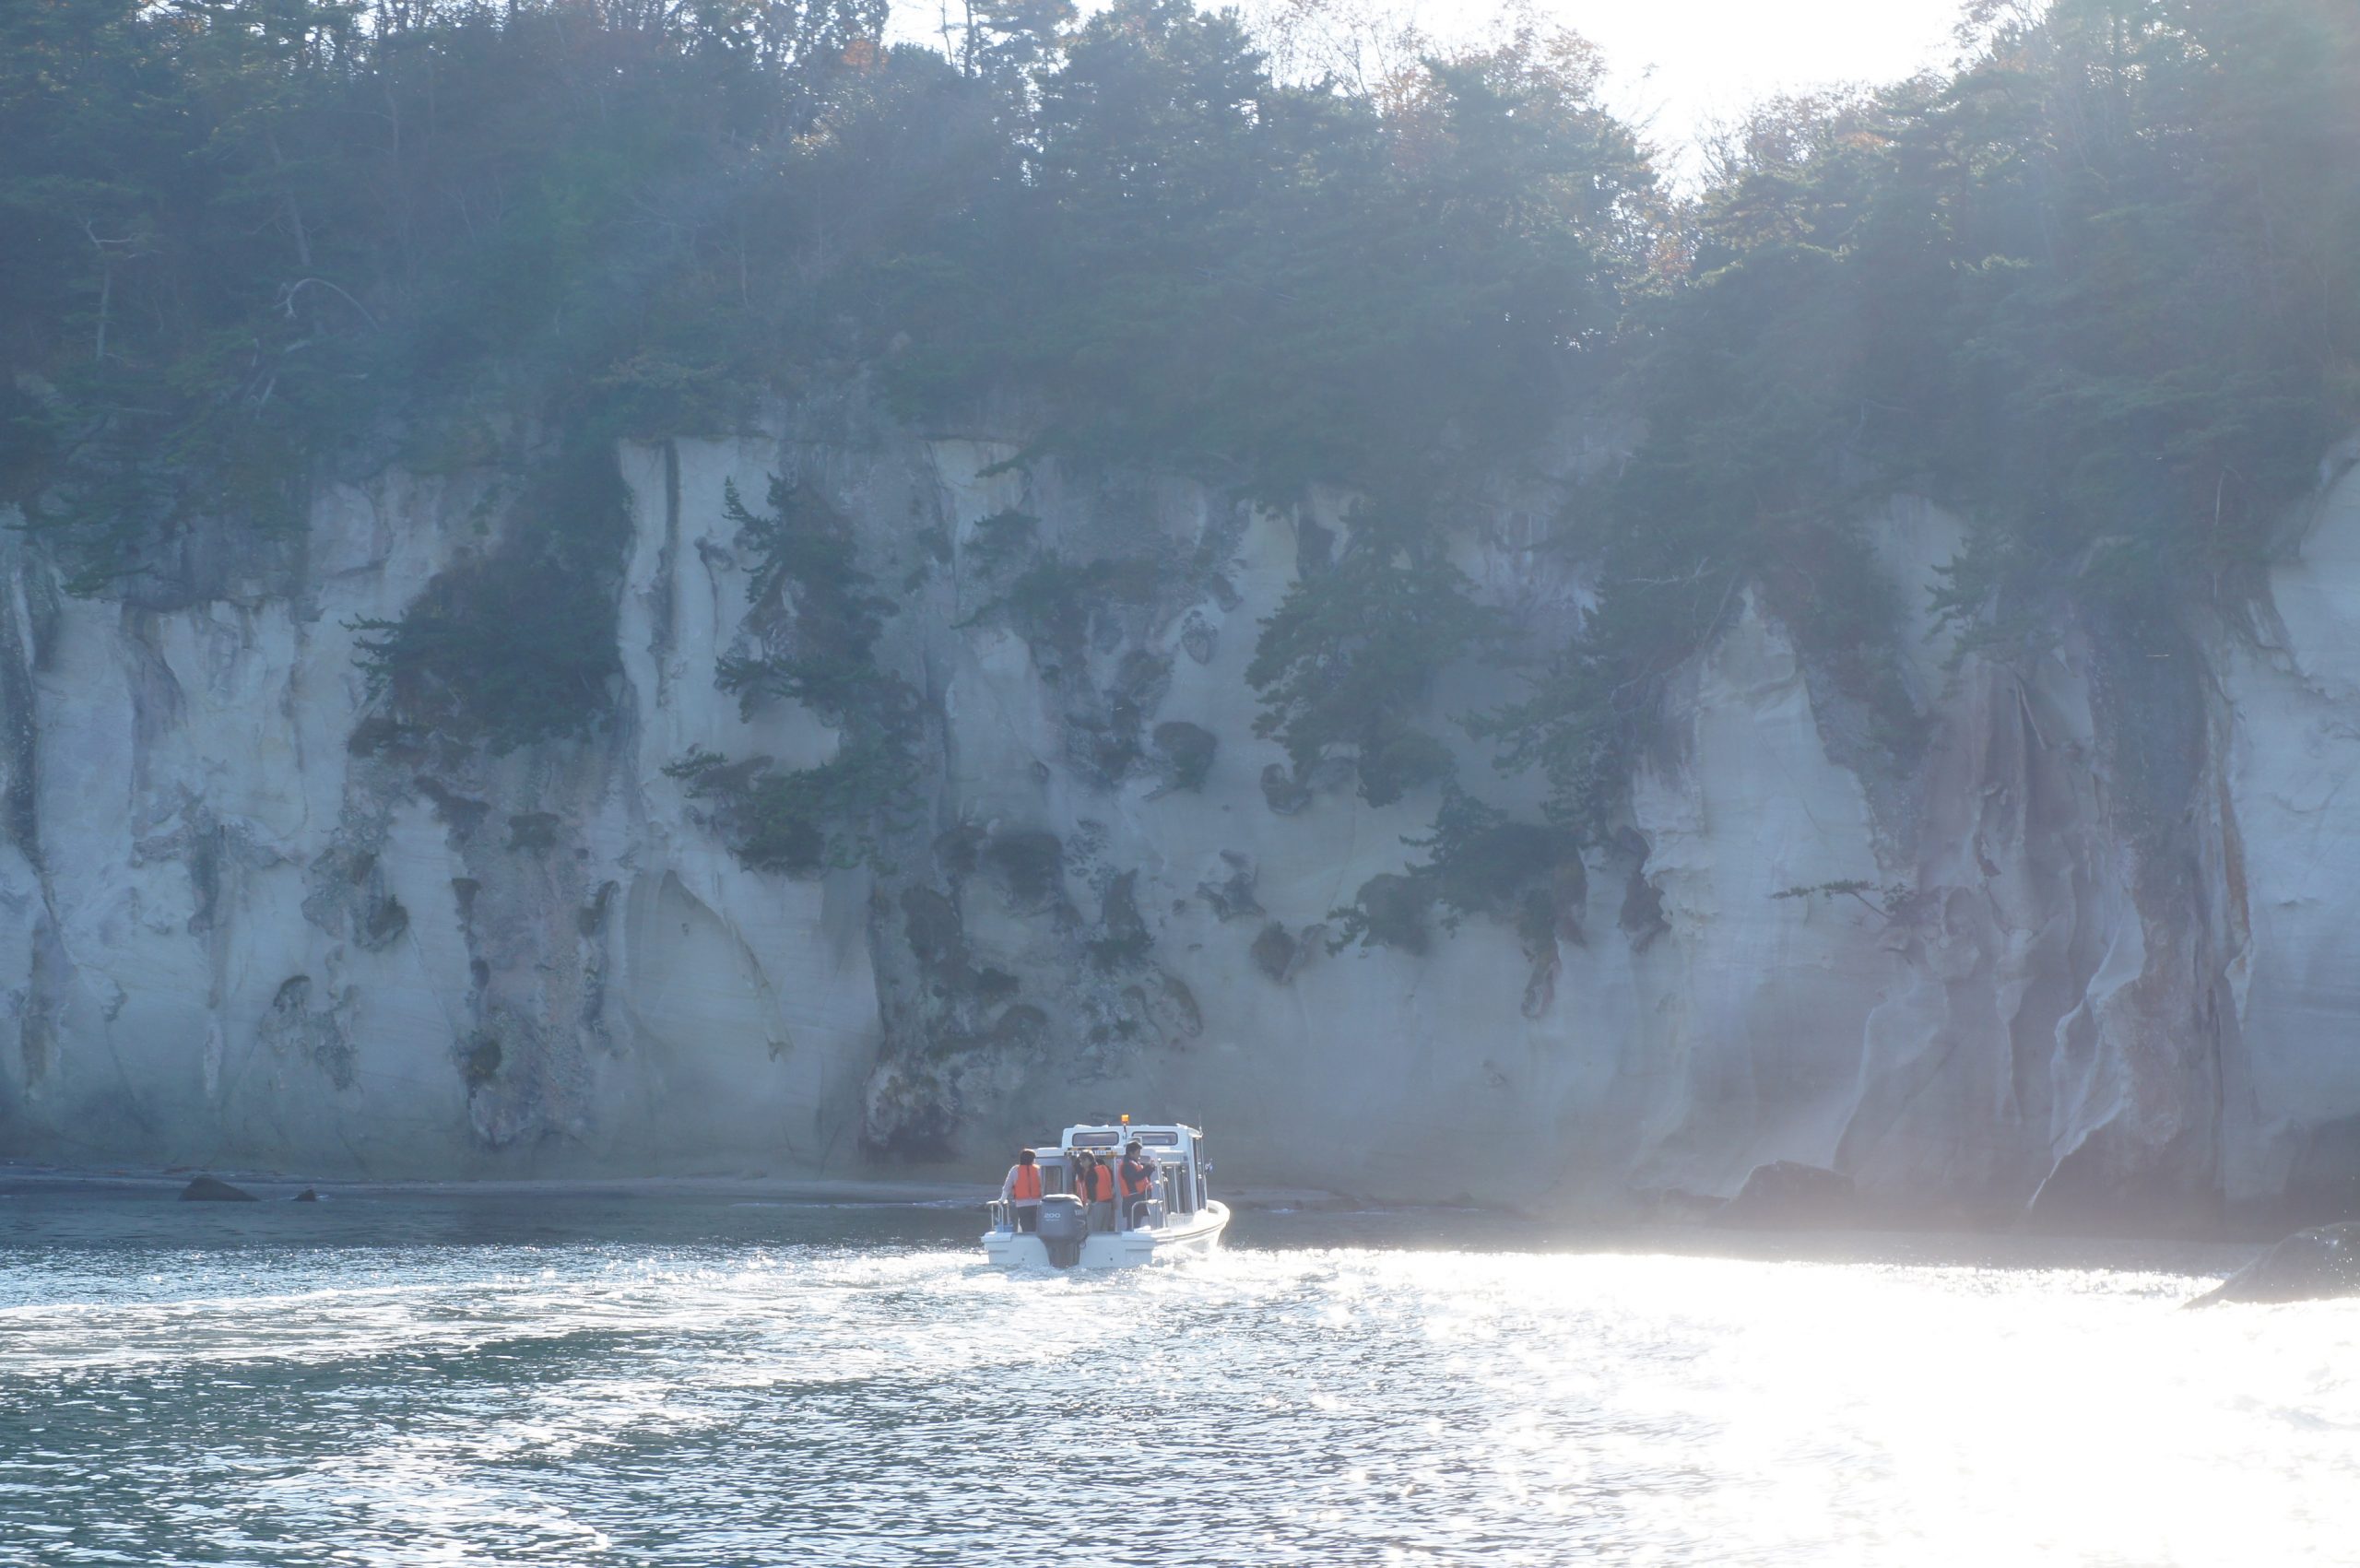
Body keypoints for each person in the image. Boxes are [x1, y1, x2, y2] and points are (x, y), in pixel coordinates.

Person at [1000, 1148, 1044, 1232]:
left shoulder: (1014, 1170)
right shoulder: (1039, 1169)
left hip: (1022, 1205)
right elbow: (1044, 1186)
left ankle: (1028, 1243)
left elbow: (1007, 1187)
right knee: (1038, 1227)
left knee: (1026, 1228)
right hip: (1038, 1204)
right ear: (1032, 1159)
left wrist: (1002, 1199)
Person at [1116, 1139, 1158, 1231]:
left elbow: (1142, 1177)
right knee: (1133, 1225)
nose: (1139, 1155)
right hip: (1132, 1200)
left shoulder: (1134, 1164)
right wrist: (1147, 1169)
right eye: (1138, 1152)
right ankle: (1130, 1240)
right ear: (1131, 1153)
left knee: (1136, 1224)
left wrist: (1150, 1168)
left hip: (1137, 1199)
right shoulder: (1127, 1165)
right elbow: (1135, 1177)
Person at [1079, 1150, 1116, 1233]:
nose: (1081, 1164)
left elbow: (1091, 1193)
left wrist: (1086, 1207)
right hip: (1108, 1204)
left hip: (1096, 1205)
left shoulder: (1091, 1172)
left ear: (1088, 1160)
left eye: (1082, 1161)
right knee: (1104, 1231)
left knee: (1094, 1232)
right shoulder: (1105, 1169)